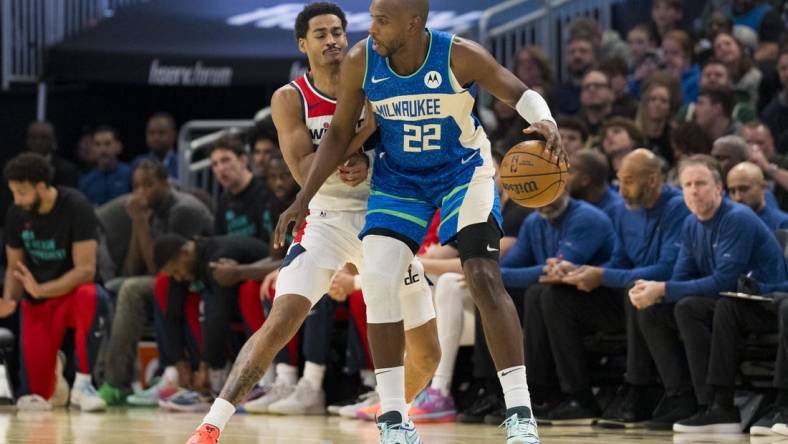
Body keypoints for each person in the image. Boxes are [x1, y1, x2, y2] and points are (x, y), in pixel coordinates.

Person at [273, 0, 564, 441]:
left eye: (381, 20)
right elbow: (337, 134)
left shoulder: (459, 54)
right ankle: (393, 417)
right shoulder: (362, 60)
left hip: (463, 172)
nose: (370, 28)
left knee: (483, 276)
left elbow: (518, 91)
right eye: (371, 18)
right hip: (399, 179)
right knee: (380, 278)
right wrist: (303, 197)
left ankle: (521, 413)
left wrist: (545, 120)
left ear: (414, 24)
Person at [186, 4, 442, 444]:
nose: (333, 40)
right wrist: (355, 150)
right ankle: (211, 426)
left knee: (428, 354)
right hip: (324, 219)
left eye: (339, 31)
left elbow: (404, 146)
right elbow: (304, 171)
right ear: (303, 45)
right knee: (280, 321)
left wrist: (369, 157)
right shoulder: (291, 98)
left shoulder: (375, 79)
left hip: (384, 214)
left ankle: (391, 416)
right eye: (321, 34)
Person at [629, 154, 788, 431]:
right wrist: (654, 292)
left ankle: (718, 404)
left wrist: (663, 288)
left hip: (765, 303)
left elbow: (724, 281)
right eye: (687, 184)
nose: (693, 190)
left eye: (700, 183)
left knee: (689, 306)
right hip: (730, 302)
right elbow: (682, 276)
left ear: (718, 188)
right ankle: (684, 398)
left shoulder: (737, 218)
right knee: (653, 311)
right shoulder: (691, 223)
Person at [561, 149, 689, 427]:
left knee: (637, 288)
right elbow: (618, 261)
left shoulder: (678, 208)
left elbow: (667, 268)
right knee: (553, 296)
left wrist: (603, 275)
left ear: (653, 180)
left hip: (668, 296)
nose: (622, 191)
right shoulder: (622, 211)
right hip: (627, 300)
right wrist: (578, 270)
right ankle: (576, 396)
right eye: (620, 180)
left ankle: (638, 390)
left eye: (629, 181)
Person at [97, 160, 214, 406]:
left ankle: (117, 382)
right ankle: (105, 376)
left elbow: (164, 269)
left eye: (148, 185)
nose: (141, 192)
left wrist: (139, 221)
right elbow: (132, 268)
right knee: (113, 287)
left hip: (196, 279)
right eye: (136, 186)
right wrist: (138, 223)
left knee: (130, 289)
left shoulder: (183, 210)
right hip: (169, 277)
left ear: (165, 182)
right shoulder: (151, 210)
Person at [0, 152, 109, 412]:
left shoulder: (77, 206)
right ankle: (54, 374)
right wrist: (7, 302)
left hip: (72, 293)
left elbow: (85, 270)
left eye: (22, 192)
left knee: (92, 295)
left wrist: (41, 289)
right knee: (37, 399)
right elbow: (15, 267)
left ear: (41, 185)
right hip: (38, 302)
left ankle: (83, 384)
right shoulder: (17, 213)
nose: (17, 199)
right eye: (13, 192)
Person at [500, 191, 616, 424]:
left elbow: (559, 272)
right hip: (566, 300)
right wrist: (540, 270)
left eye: (547, 190)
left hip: (609, 298)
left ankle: (580, 397)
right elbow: (504, 270)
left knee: (547, 295)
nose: (543, 199)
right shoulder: (534, 221)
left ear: (562, 186)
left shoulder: (586, 218)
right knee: (518, 294)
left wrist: (541, 271)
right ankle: (538, 393)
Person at [151, 234, 269, 411]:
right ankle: (182, 375)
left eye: (176, 271)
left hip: (265, 295)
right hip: (238, 305)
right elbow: (172, 314)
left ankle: (216, 380)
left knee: (210, 308)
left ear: (185, 253)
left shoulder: (218, 258)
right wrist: (179, 363)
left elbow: (218, 313)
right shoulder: (193, 261)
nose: (179, 277)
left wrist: (205, 366)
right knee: (170, 291)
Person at [79, 125, 132, 206]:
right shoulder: (86, 181)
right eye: (98, 144)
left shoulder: (130, 174)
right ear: (93, 149)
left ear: (118, 146)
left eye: (107, 144)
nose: (103, 149)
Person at [727, 161, 788, 229]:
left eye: (744, 189)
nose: (737, 198)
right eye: (732, 191)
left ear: (763, 187)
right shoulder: (727, 224)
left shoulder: (783, 223)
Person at [566, 148, 623, 221]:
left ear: (585, 180)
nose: (564, 177)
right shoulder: (567, 204)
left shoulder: (618, 211)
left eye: (569, 172)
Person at [25, 121, 80, 188]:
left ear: (53, 140)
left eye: (44, 137)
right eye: (33, 137)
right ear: (27, 140)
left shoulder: (67, 170)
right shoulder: (17, 168)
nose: (38, 142)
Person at [132, 112, 178, 179]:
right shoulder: (138, 163)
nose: (156, 138)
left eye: (161, 132)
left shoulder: (183, 164)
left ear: (173, 135)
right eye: (151, 133)